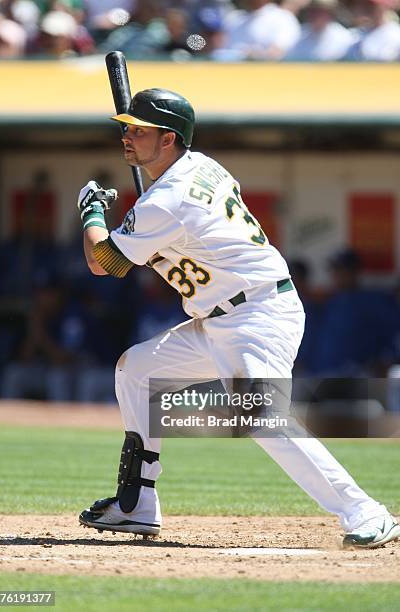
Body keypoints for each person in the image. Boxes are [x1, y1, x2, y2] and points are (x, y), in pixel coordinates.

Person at [77, 88, 400, 548]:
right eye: (126, 128)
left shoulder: (164, 202)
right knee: (138, 370)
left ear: (168, 139)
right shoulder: (199, 167)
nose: (126, 136)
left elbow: (103, 261)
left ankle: (364, 510)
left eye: (139, 130)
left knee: (262, 419)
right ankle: (138, 502)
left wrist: (92, 214)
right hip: (218, 317)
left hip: (257, 313)